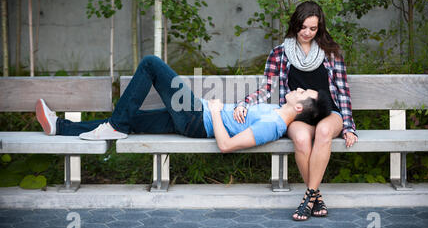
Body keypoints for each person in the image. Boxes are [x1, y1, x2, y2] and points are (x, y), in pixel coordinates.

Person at [36, 55, 331, 154]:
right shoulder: (275, 111)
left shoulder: (274, 125)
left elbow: (226, 145)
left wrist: (216, 112)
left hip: (196, 118)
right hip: (195, 115)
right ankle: (60, 126)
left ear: (302, 108)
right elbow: (245, 115)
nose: (299, 88)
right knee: (133, 123)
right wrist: (238, 107)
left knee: (151, 64)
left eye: (304, 91)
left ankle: (114, 125)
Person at [234, 1, 358, 221]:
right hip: (299, 113)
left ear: (319, 28)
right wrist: (244, 103)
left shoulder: (331, 52)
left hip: (330, 113)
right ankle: (316, 197)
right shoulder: (280, 53)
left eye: (313, 28)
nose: (307, 33)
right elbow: (267, 87)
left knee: (322, 133)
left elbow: (343, 92)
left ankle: (307, 199)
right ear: (295, 24)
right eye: (303, 27)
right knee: (301, 138)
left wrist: (349, 126)